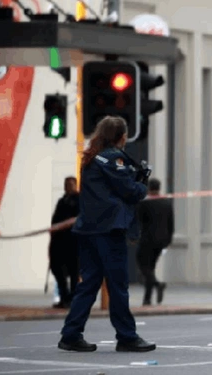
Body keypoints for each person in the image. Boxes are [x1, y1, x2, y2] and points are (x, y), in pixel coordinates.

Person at [58, 116, 156, 353]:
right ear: (121, 137)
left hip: (87, 229)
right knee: (118, 284)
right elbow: (130, 191)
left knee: (89, 283)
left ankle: (71, 334)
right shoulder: (114, 158)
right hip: (108, 230)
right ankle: (126, 336)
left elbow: (108, 187)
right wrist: (142, 183)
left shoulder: (91, 157)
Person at [135, 178, 174, 306]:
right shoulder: (167, 203)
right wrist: (168, 240)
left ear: (149, 188)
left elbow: (138, 220)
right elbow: (171, 224)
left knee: (143, 264)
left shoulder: (145, 203)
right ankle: (147, 299)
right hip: (162, 240)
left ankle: (157, 284)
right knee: (150, 268)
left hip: (148, 239)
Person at [49, 176, 80, 309]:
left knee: (74, 271)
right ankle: (64, 297)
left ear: (75, 185)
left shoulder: (80, 200)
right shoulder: (62, 201)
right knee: (57, 269)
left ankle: (73, 299)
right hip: (59, 242)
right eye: (66, 184)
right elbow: (55, 219)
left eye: (71, 184)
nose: (68, 186)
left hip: (73, 241)